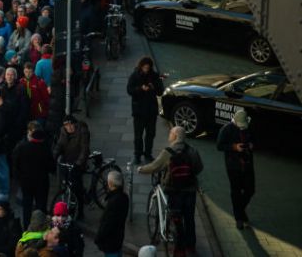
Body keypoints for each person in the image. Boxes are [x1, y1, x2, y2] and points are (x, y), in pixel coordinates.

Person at [138, 126, 204, 256]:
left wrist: (141, 169)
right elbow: (199, 168)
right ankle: (191, 246)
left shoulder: (168, 152)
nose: (169, 135)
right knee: (189, 218)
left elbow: (155, 166)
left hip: (174, 191)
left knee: (176, 219)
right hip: (189, 190)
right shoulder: (192, 151)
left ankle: (179, 249)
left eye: (170, 133)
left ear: (175, 136)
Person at [217, 109, 254, 229]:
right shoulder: (226, 129)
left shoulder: (248, 127)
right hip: (233, 166)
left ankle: (239, 212)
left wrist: (251, 145)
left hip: (247, 164)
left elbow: (255, 139)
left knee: (250, 190)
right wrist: (234, 147)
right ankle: (239, 217)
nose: (242, 128)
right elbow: (219, 146)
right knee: (236, 191)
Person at [127, 57, 164, 164]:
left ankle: (148, 154)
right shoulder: (135, 76)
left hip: (151, 111)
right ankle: (137, 155)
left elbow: (160, 91)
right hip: (139, 111)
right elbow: (129, 90)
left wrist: (153, 87)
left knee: (150, 134)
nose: (146, 69)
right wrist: (140, 89)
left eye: (148, 68)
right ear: (141, 66)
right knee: (138, 135)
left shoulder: (155, 76)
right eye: (144, 67)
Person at [95, 170, 129, 257]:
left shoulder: (113, 201)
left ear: (110, 183)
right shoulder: (124, 198)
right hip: (118, 238)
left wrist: (98, 237)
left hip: (111, 241)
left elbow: (108, 222)